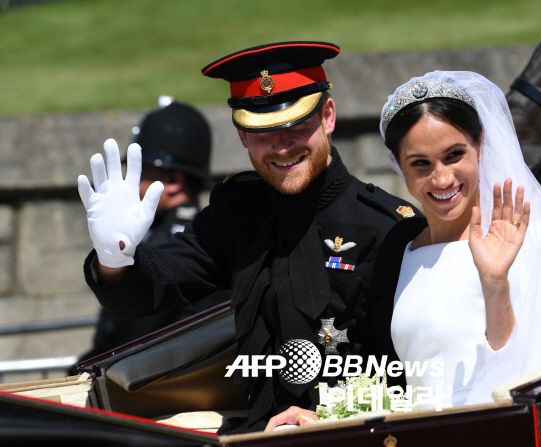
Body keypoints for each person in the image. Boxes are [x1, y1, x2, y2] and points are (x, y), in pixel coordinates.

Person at [76, 41, 420, 432]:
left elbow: (414, 377)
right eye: (262, 132)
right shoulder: (237, 214)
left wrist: (328, 416)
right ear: (242, 135)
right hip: (256, 433)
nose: (282, 146)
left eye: (296, 125)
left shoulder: (387, 227)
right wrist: (115, 257)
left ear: (327, 116)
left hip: (354, 432)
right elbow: (150, 290)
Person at [370, 71, 541, 409]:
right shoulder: (401, 249)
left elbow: (540, 372)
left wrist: (495, 281)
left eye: (454, 155)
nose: (442, 178)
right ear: (397, 164)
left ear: (479, 145)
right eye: (421, 164)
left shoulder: (523, 241)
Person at [73, 98, 230, 368]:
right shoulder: (160, 230)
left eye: (140, 172)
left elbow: (130, 336)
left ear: (172, 182)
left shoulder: (182, 240)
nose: (131, 184)